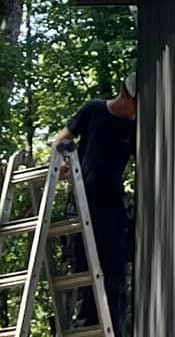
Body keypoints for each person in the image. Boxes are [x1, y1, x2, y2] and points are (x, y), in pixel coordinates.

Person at [54, 71, 137, 332]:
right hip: (80, 202)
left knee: (114, 276)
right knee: (85, 273)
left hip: (111, 206)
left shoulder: (134, 127)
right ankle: (88, 325)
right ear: (126, 95)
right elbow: (61, 139)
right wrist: (62, 163)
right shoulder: (94, 110)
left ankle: (115, 330)